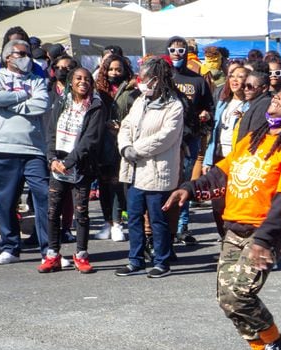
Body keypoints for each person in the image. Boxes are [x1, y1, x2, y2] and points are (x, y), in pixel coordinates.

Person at [162, 87, 281, 350]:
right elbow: (221, 172)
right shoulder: (253, 139)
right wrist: (189, 188)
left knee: (241, 294)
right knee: (225, 297)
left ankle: (277, 346)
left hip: (265, 233)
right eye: (277, 95)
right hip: (234, 228)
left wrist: (264, 240)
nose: (277, 99)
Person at [115, 56, 185, 278]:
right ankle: (135, 260)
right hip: (134, 170)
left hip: (157, 171)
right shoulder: (140, 101)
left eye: (143, 78)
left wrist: (137, 149)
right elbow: (125, 125)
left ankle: (161, 261)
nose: (140, 82)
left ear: (155, 80)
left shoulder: (173, 106)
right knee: (134, 217)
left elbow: (165, 137)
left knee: (158, 219)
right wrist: (125, 146)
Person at [0, 39, 51, 265]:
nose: (25, 57)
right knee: (6, 201)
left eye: (27, 53)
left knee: (44, 197)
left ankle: (49, 249)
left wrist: (9, 104)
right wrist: (24, 96)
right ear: (7, 57)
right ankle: (10, 247)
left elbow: (42, 105)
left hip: (34, 149)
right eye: (20, 53)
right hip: (2, 148)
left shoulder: (38, 80)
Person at [39, 67, 105, 273]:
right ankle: (52, 255)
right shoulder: (61, 101)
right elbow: (50, 131)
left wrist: (69, 162)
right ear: (71, 81)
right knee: (53, 212)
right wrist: (51, 159)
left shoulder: (96, 105)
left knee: (81, 213)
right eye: (78, 78)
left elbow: (90, 140)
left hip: (81, 166)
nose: (83, 82)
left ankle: (82, 254)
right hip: (57, 163)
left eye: (86, 79)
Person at [167, 35, 215, 245]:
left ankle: (181, 226)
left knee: (185, 183)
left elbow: (210, 107)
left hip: (190, 137)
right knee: (165, 183)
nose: (177, 54)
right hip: (166, 140)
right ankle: (164, 227)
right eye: (173, 50)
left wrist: (205, 114)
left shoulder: (197, 81)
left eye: (181, 50)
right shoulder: (164, 77)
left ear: (187, 53)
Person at [94, 54, 139, 242]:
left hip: (122, 140)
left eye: (118, 69)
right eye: (111, 69)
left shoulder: (132, 89)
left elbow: (136, 114)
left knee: (119, 183)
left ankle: (118, 222)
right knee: (104, 184)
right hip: (101, 141)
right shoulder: (98, 89)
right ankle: (107, 222)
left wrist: (122, 126)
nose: (114, 73)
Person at [203, 65, 249, 237]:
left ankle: (236, 238)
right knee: (217, 202)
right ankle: (224, 237)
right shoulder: (223, 101)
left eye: (240, 76)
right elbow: (214, 133)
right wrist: (208, 160)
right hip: (218, 156)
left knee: (237, 201)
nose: (235, 80)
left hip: (239, 159)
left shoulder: (251, 104)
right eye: (232, 76)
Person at [235, 70, 271, 143]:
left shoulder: (264, 105)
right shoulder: (253, 103)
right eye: (244, 86)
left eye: (249, 86)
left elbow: (254, 135)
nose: (245, 89)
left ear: (264, 88)